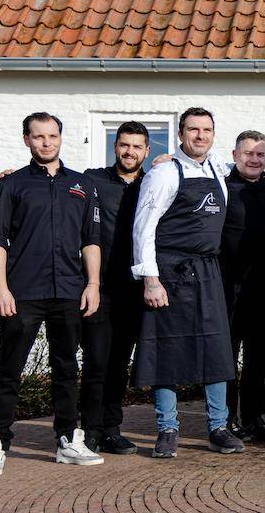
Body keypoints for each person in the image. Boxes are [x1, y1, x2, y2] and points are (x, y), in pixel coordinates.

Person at [0, 112, 104, 477]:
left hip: (68, 290)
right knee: (9, 370)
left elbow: (91, 240)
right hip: (22, 293)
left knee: (66, 368)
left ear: (61, 138)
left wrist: (93, 284)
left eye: (52, 136)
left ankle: (68, 439)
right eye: (38, 137)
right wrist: (0, 287)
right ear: (26, 140)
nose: (46, 142)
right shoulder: (11, 185)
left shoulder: (82, 185)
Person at [131, 107, 243, 458]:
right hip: (170, 273)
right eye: (193, 129)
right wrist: (150, 279)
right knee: (167, 351)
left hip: (209, 272)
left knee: (216, 350)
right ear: (180, 134)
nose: (200, 136)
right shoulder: (164, 172)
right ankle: (167, 429)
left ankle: (218, 427)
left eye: (207, 130)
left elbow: (252, 166)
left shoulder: (217, 169)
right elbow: (143, 227)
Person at [84, 122, 150, 455]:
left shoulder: (154, 182)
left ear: (146, 151)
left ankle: (111, 428)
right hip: (101, 288)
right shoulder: (93, 180)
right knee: (96, 360)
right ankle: (89, 431)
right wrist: (12, 177)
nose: (130, 152)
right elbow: (55, 179)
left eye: (137, 146)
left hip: (135, 288)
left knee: (120, 363)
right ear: (115, 147)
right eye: (124, 145)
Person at [219, 131, 265, 442]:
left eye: (260, 155)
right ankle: (226, 420)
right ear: (234, 154)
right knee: (226, 357)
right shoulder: (221, 185)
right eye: (248, 154)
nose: (255, 159)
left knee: (258, 357)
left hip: (264, 285)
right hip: (228, 286)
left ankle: (255, 418)